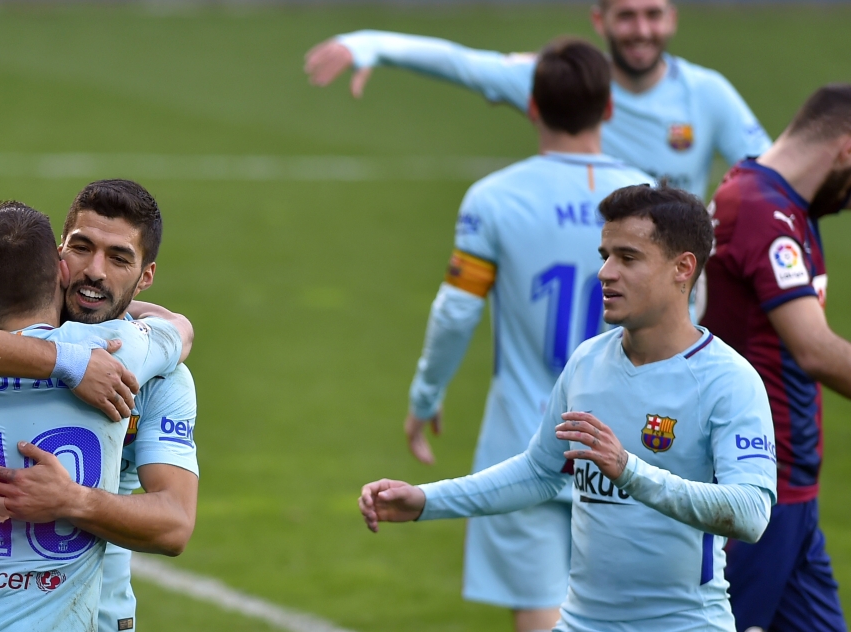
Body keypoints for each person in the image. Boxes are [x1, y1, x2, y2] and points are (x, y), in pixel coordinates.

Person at [359, 184, 777, 632]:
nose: (605, 272)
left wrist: (629, 471)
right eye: (605, 255)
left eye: (628, 258)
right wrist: (426, 500)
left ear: (683, 268)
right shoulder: (587, 362)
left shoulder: (727, 381)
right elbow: (539, 472)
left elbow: (750, 513)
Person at [400, 37, 651, 631]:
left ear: (532, 106)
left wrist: (425, 397)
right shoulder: (653, 203)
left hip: (525, 443)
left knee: (541, 614)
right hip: (626, 446)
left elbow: (455, 314)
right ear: (609, 107)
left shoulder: (494, 198)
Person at [0, 180, 199, 632]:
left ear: (145, 277)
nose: (95, 271)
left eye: (119, 258)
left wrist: (73, 500)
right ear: (59, 257)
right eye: (82, 248)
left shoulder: (160, 378)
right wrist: (70, 363)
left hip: (95, 618)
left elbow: (173, 525)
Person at [304, 0, 770, 199]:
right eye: (627, 16)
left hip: (673, 298)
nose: (642, 30)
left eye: (653, 14)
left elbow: (769, 175)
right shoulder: (563, 80)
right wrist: (370, 43)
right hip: (592, 278)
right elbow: (462, 63)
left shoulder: (707, 92)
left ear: (672, 18)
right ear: (600, 20)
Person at [700, 84, 851, 632]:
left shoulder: (771, 199)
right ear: (846, 149)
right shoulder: (764, 212)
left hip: (790, 489)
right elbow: (815, 350)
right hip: (760, 484)